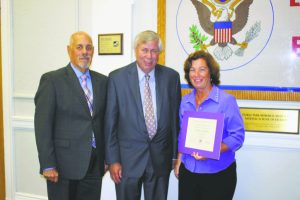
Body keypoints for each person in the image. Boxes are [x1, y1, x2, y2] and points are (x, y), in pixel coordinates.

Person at [105, 30, 181, 200]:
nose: (149, 56)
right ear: (136, 50)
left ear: (159, 54)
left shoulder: (171, 78)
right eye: (144, 50)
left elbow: (175, 122)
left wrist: (176, 156)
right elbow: (110, 123)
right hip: (127, 161)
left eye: (154, 51)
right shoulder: (117, 78)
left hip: (160, 159)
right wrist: (113, 160)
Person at [34, 31, 107, 200]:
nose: (84, 52)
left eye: (88, 48)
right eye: (79, 47)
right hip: (62, 165)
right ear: (69, 50)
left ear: (93, 51)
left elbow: (104, 122)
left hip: (94, 163)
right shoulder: (52, 80)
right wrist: (48, 164)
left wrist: (106, 157)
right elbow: (43, 126)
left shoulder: (103, 81)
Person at [174, 50, 245, 200]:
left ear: (211, 72)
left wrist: (210, 151)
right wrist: (179, 160)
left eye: (202, 69)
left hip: (218, 174)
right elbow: (183, 134)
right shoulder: (185, 101)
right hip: (189, 172)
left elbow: (237, 137)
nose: (196, 74)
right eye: (192, 70)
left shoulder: (226, 101)